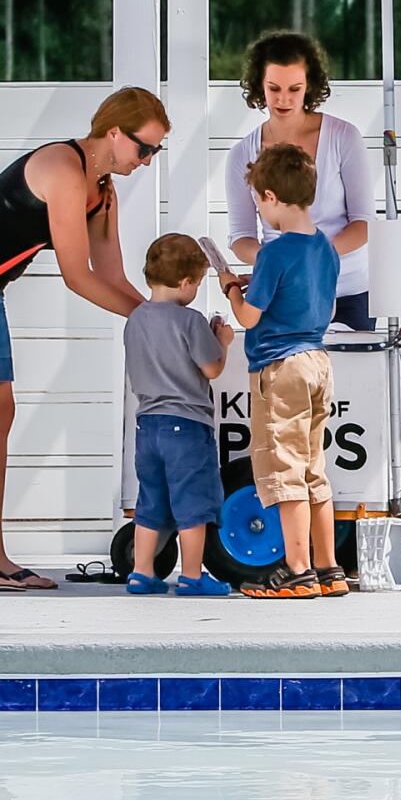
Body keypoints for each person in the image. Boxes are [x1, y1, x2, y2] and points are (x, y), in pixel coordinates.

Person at [0, 87, 166, 592]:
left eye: (155, 151)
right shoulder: (64, 169)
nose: (148, 161)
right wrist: (153, 322)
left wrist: (159, 316)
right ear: (114, 133)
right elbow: (78, 276)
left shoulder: (102, 191)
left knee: (0, 414)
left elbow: (112, 274)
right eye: (144, 148)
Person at [225, 143, 341, 600]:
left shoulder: (271, 254)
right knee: (315, 469)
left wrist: (233, 290)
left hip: (281, 366)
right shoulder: (326, 248)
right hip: (317, 359)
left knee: (284, 470)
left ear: (271, 196)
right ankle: (328, 567)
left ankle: (297, 570)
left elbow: (249, 319)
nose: (257, 208)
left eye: (257, 200)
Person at [225, 30, 376, 331]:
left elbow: (364, 223)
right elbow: (241, 238)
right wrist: (278, 265)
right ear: (259, 86)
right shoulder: (242, 153)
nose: (283, 99)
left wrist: (308, 257)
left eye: (294, 89)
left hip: (347, 291)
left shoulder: (344, 137)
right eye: (274, 88)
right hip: (281, 295)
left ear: (310, 87)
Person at [122, 235, 233, 598]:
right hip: (186, 425)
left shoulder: (135, 319)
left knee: (150, 501)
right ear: (186, 282)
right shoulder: (190, 321)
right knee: (193, 504)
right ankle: (191, 575)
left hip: (147, 424)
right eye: (198, 284)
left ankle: (141, 572)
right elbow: (212, 369)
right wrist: (224, 342)